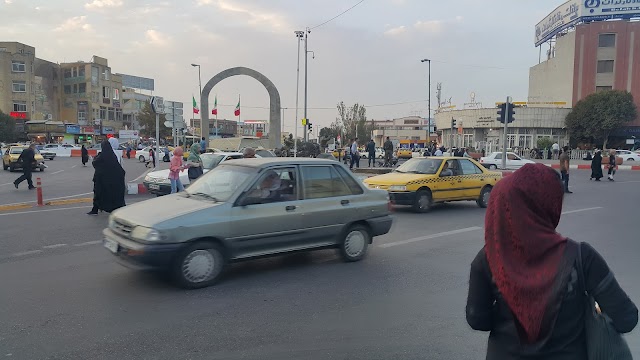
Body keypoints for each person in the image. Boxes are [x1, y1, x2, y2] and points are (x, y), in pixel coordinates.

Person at [466, 163, 637, 359]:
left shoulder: (489, 258)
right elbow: (627, 318)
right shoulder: (581, 257)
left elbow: (477, 319)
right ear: (548, 205)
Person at [87, 140, 125, 215]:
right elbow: (119, 167)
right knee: (112, 194)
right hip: (113, 180)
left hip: (101, 179)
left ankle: (96, 209)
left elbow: (95, 164)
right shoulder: (113, 155)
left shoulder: (102, 156)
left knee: (98, 193)